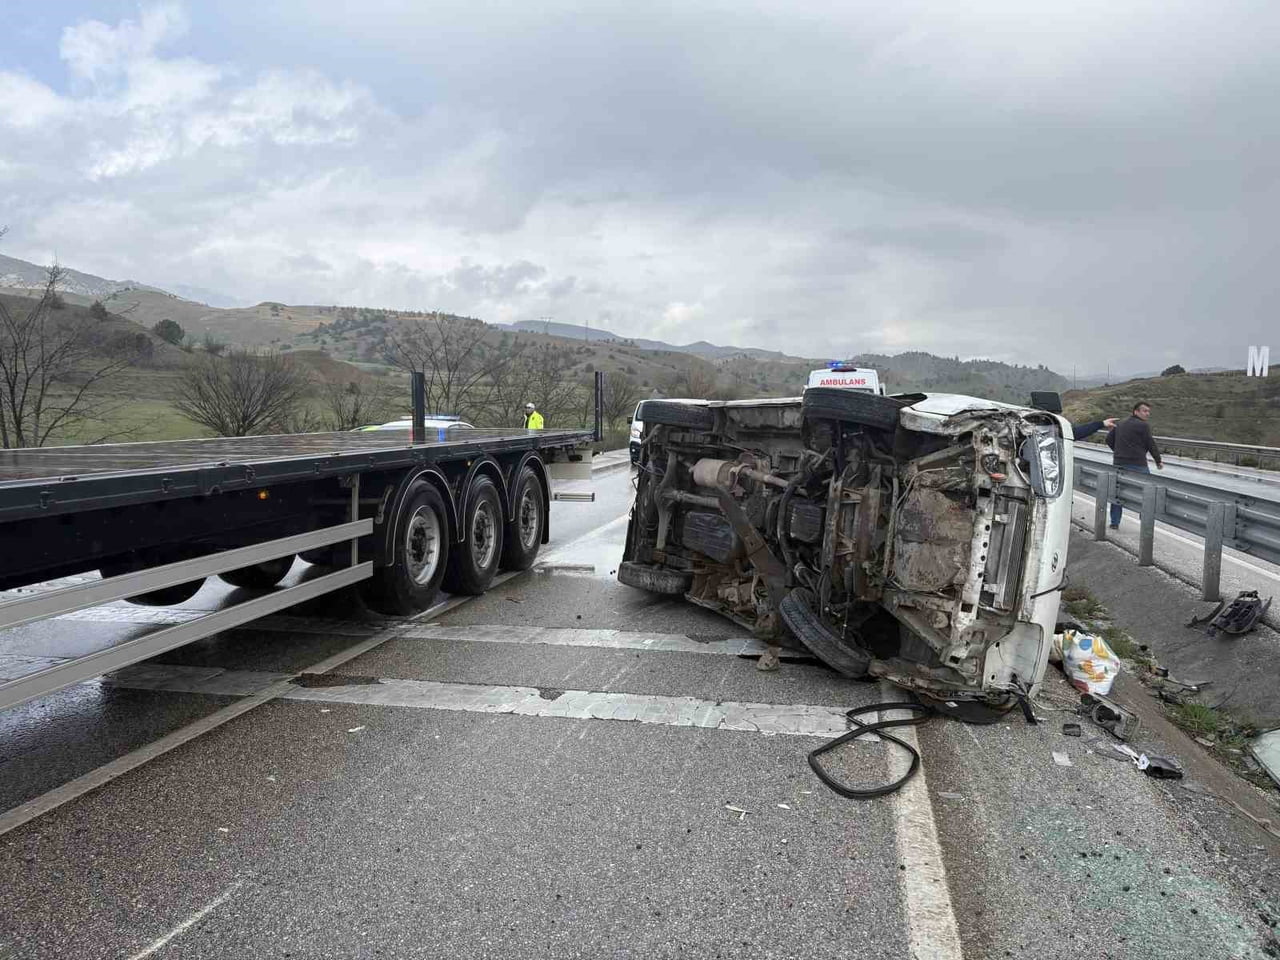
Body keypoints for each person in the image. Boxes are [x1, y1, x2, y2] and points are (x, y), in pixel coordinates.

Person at [1104, 401, 1164, 528]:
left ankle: (1114, 522)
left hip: (1119, 462)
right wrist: (1158, 460)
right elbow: (1150, 443)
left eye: (1148, 412)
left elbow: (1108, 440)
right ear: (1136, 411)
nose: (1147, 414)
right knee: (1146, 493)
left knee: (1117, 492)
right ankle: (1145, 523)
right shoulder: (1143, 425)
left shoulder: (1120, 423)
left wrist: (1119, 451)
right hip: (1138, 464)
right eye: (1145, 411)